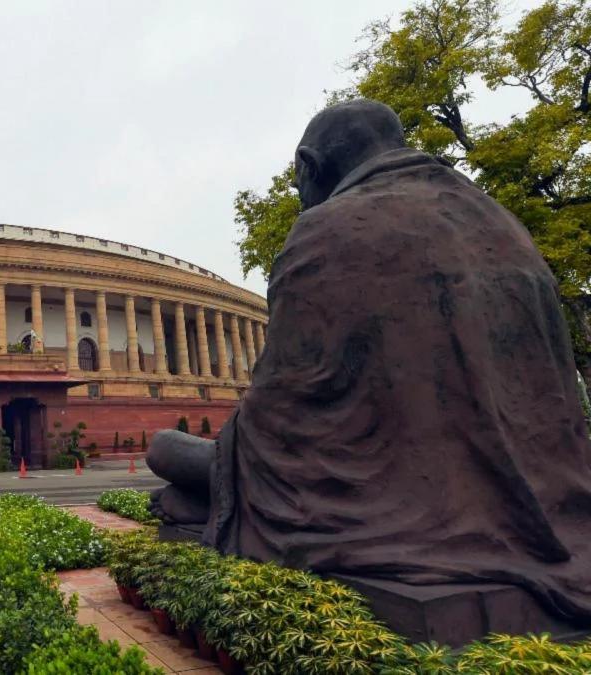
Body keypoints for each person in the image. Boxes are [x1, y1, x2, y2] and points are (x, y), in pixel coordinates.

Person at [147, 98, 591, 623]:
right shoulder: (506, 226)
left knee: (165, 449)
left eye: (297, 188)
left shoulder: (326, 229)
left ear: (308, 167)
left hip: (375, 494)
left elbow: (282, 414)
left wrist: (228, 466)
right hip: (549, 497)